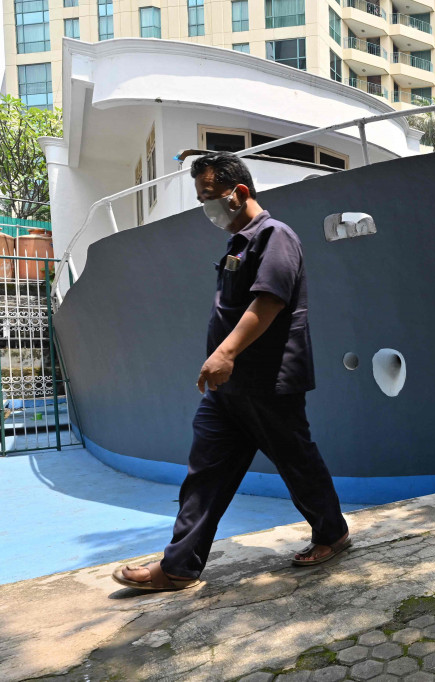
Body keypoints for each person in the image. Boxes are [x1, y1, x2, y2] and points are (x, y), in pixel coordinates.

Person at [113, 152, 350, 591]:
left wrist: (224, 353)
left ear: (239, 193)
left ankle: (332, 534)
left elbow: (269, 301)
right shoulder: (237, 243)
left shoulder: (275, 236)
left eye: (210, 197)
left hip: (268, 383)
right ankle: (179, 566)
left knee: (296, 462)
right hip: (227, 390)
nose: (207, 208)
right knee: (204, 473)